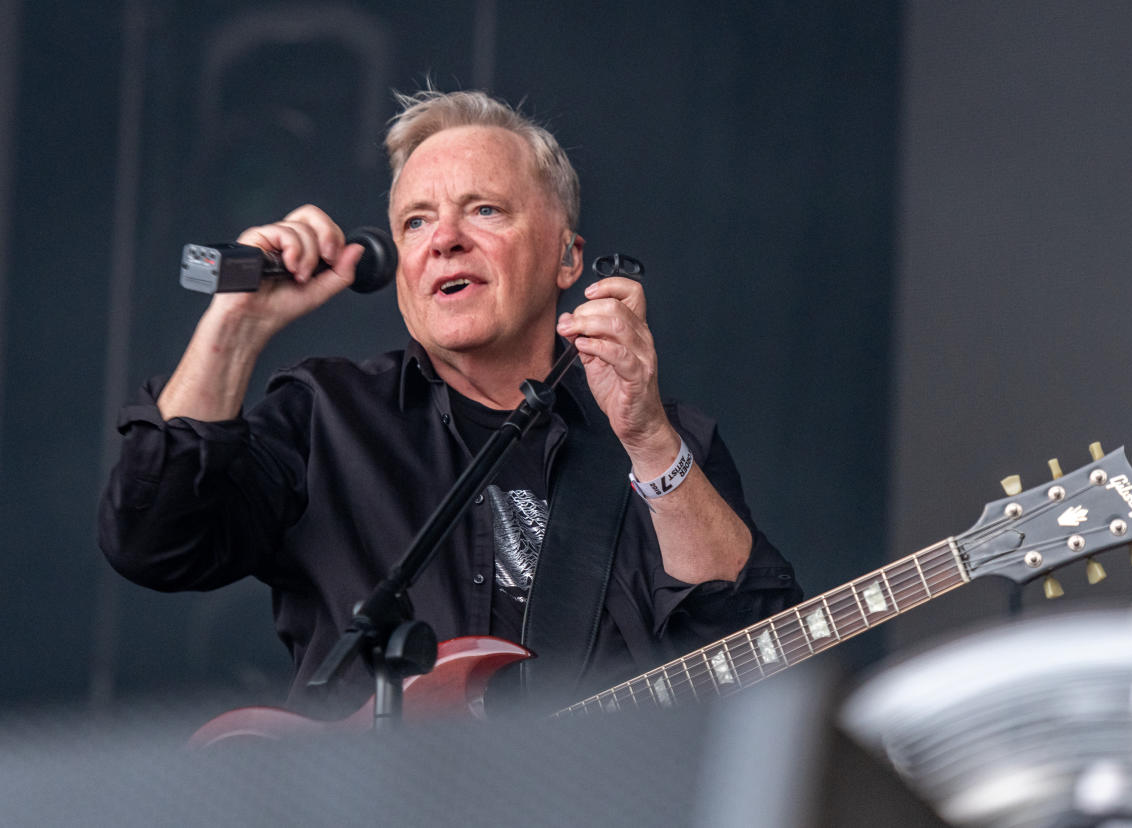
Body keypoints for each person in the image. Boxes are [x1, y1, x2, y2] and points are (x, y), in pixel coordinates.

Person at [98, 89, 801, 715]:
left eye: (485, 210)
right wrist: (235, 325)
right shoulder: (329, 416)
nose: (445, 240)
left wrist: (647, 440)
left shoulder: (666, 447)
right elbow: (154, 542)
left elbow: (757, 657)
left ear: (567, 258)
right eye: (415, 222)